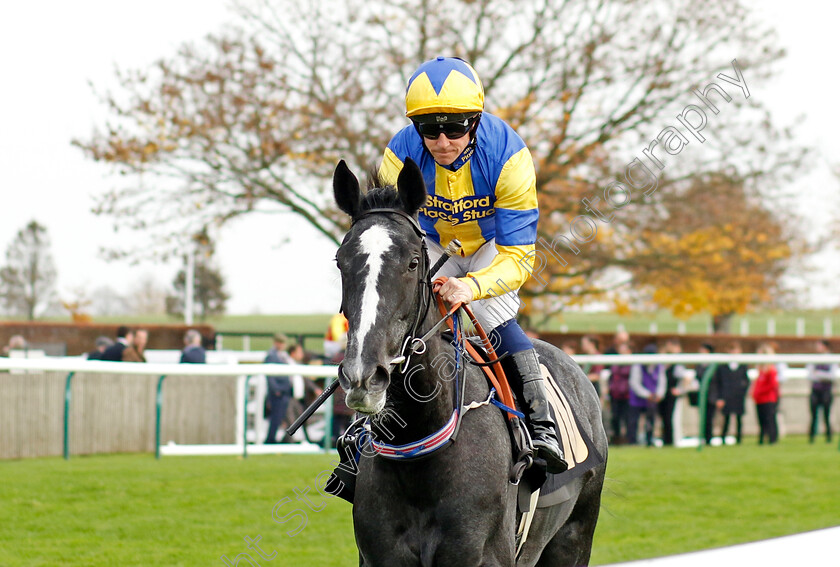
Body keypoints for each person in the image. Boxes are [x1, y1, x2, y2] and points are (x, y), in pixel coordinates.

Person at [377, 56, 566, 473]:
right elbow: (393, 234)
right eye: (429, 128)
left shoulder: (510, 156)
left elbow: (519, 257)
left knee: (487, 313)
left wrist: (472, 286)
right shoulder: (398, 154)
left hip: (493, 244)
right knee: (399, 314)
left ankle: (541, 423)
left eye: (455, 127)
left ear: (476, 122)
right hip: (432, 241)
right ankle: (368, 431)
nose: (442, 141)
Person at [627, 343, 665, 446]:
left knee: (650, 421)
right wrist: (647, 394)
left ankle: (649, 441)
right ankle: (632, 442)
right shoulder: (638, 365)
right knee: (633, 422)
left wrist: (659, 394)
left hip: (651, 399)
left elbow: (662, 382)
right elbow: (634, 383)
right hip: (637, 399)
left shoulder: (659, 366)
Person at [713, 341, 750, 445]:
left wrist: (742, 392)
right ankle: (723, 438)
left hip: (738, 396)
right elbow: (719, 382)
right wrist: (720, 397)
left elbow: (746, 381)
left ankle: (739, 439)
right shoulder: (722, 367)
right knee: (726, 419)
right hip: (726, 396)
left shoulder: (742, 366)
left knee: (739, 419)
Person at [264, 333, 294, 444]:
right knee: (275, 419)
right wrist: (276, 390)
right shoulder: (271, 355)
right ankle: (270, 440)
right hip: (277, 393)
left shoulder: (282, 355)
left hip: (284, 392)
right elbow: (270, 376)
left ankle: (279, 440)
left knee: (282, 418)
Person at [658, 338, 688, 446]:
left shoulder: (677, 363)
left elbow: (685, 378)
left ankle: (669, 441)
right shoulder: (663, 364)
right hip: (662, 394)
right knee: (664, 418)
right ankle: (665, 440)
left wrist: (680, 390)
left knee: (669, 418)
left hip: (671, 394)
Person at [806, 340, 836, 443]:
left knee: (826, 416)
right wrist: (822, 375)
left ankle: (828, 437)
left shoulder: (831, 359)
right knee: (813, 416)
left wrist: (818, 373)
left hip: (826, 391)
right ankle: (812, 437)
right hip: (815, 391)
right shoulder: (814, 358)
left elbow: (832, 376)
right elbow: (809, 375)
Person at [752, 343, 779, 445]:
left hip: (768, 399)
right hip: (759, 399)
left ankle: (772, 439)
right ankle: (762, 439)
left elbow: (772, 385)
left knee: (770, 420)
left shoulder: (771, 370)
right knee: (761, 421)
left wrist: (760, 392)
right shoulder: (760, 371)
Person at [608, 341, 633, 445]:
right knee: (615, 418)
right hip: (615, 395)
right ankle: (617, 439)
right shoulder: (615, 362)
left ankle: (628, 440)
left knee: (628, 419)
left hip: (627, 396)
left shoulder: (631, 363)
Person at [692, 343, 717, 445]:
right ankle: (702, 438)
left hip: (712, 396)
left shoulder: (714, 364)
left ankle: (709, 439)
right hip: (701, 396)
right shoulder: (699, 365)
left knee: (710, 419)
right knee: (702, 418)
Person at [580, 334, 604, 400]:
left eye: (584, 344)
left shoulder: (597, 357)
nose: (582, 346)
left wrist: (581, 378)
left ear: (591, 344)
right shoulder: (586, 356)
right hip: (587, 388)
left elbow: (597, 375)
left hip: (594, 389)